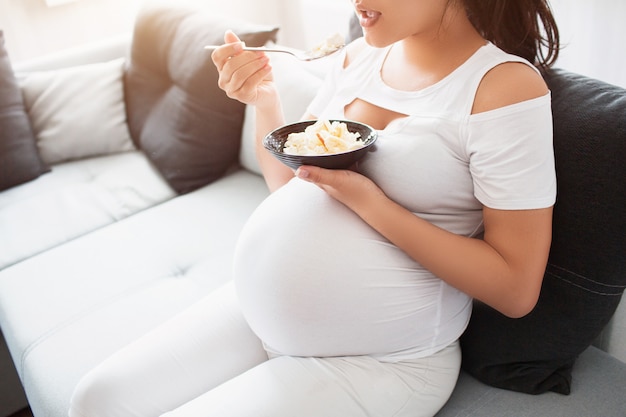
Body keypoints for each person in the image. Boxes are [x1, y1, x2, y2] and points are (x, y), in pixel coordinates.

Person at [69, 1, 560, 416]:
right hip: (259, 312)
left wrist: (372, 205)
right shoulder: (357, 59)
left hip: (382, 357)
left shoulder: (504, 88)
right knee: (95, 399)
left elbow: (516, 289)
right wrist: (264, 101)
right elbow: (291, 184)